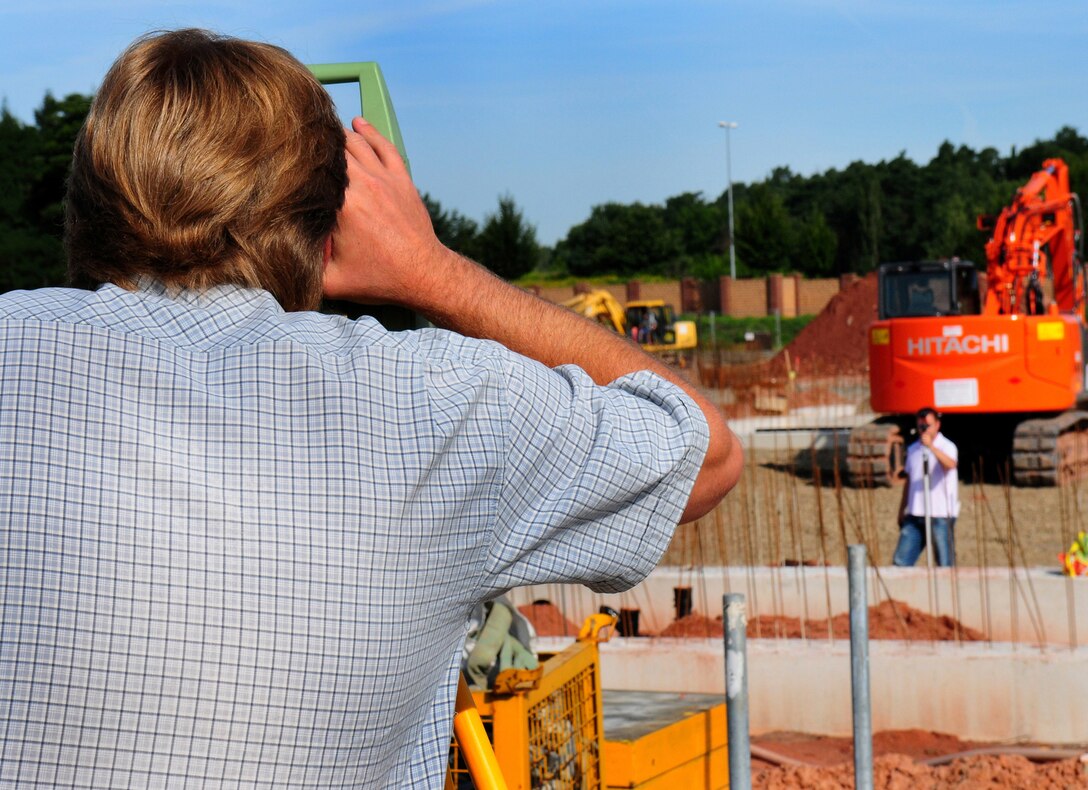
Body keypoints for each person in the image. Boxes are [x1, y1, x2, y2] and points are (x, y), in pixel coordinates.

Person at [0, 29, 742, 788]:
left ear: (87, 205)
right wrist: (433, 275)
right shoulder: (437, 404)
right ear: (327, 225)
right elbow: (711, 454)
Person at [892, 407, 959, 567]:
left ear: (937, 425)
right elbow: (909, 482)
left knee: (945, 563)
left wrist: (932, 448)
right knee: (900, 561)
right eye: (921, 426)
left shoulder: (947, 446)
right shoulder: (913, 449)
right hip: (915, 514)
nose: (924, 430)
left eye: (927, 425)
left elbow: (950, 464)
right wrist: (902, 509)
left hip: (940, 515)